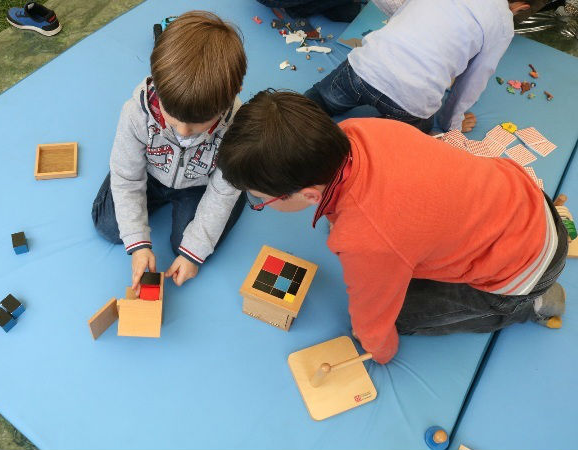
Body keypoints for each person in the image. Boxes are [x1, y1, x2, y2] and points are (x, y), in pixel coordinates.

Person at [217, 90, 568, 364]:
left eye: (260, 200)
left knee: (400, 316)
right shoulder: (357, 131)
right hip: (528, 200)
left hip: (525, 271)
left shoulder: (366, 241)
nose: (260, 203)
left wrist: (378, 350)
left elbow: (372, 325)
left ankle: (527, 307)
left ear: (309, 194)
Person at [92, 11, 247, 293]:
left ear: (234, 91)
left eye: (200, 125)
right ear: (156, 83)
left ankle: (240, 190)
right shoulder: (135, 114)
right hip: (150, 175)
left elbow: (221, 193)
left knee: (184, 245)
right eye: (174, 120)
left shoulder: (237, 127)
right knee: (109, 227)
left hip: (199, 185)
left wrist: (192, 252)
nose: (185, 133)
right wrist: (138, 244)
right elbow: (127, 178)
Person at [305, 0, 549, 133]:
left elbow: (400, 8)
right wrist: (451, 124)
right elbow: (472, 82)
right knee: (418, 135)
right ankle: (383, 147)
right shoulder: (503, 25)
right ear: (522, 7)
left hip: (364, 69)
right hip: (410, 100)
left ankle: (288, 126)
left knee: (317, 100)